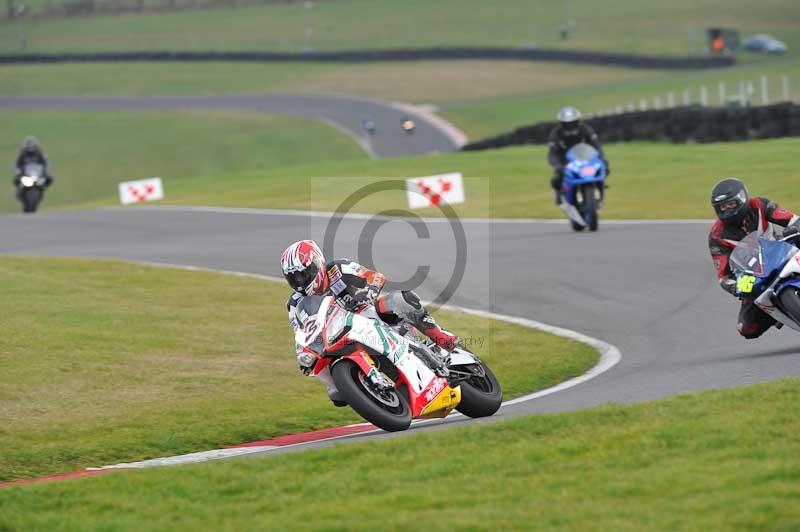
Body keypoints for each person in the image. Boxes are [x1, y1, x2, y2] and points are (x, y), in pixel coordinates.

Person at [281, 240, 458, 404]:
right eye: (294, 278)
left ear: (317, 264)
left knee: (398, 300)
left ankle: (441, 337)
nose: (300, 282)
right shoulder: (295, 303)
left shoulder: (338, 268)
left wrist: (365, 294)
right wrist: (304, 353)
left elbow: (375, 277)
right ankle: (361, 386)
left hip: (364, 313)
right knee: (333, 388)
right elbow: (301, 331)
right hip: (336, 334)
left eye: (304, 275)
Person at [708, 178, 800, 339]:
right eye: (722, 207)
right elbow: (723, 276)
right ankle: (779, 310)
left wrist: (794, 228)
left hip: (781, 251)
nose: (726, 209)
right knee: (747, 328)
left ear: (742, 199)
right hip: (754, 274)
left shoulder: (759, 205)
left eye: (730, 204)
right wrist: (736, 287)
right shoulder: (717, 235)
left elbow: (793, 219)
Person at [547, 106, 607, 204]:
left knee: (605, 166)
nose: (570, 126)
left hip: (586, 159)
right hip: (565, 162)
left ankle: (599, 189)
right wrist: (557, 166)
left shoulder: (586, 129)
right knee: (556, 179)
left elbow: (597, 145)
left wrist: (601, 157)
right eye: (567, 124)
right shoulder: (556, 134)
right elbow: (552, 153)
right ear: (562, 124)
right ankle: (560, 196)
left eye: (573, 123)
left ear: (578, 121)